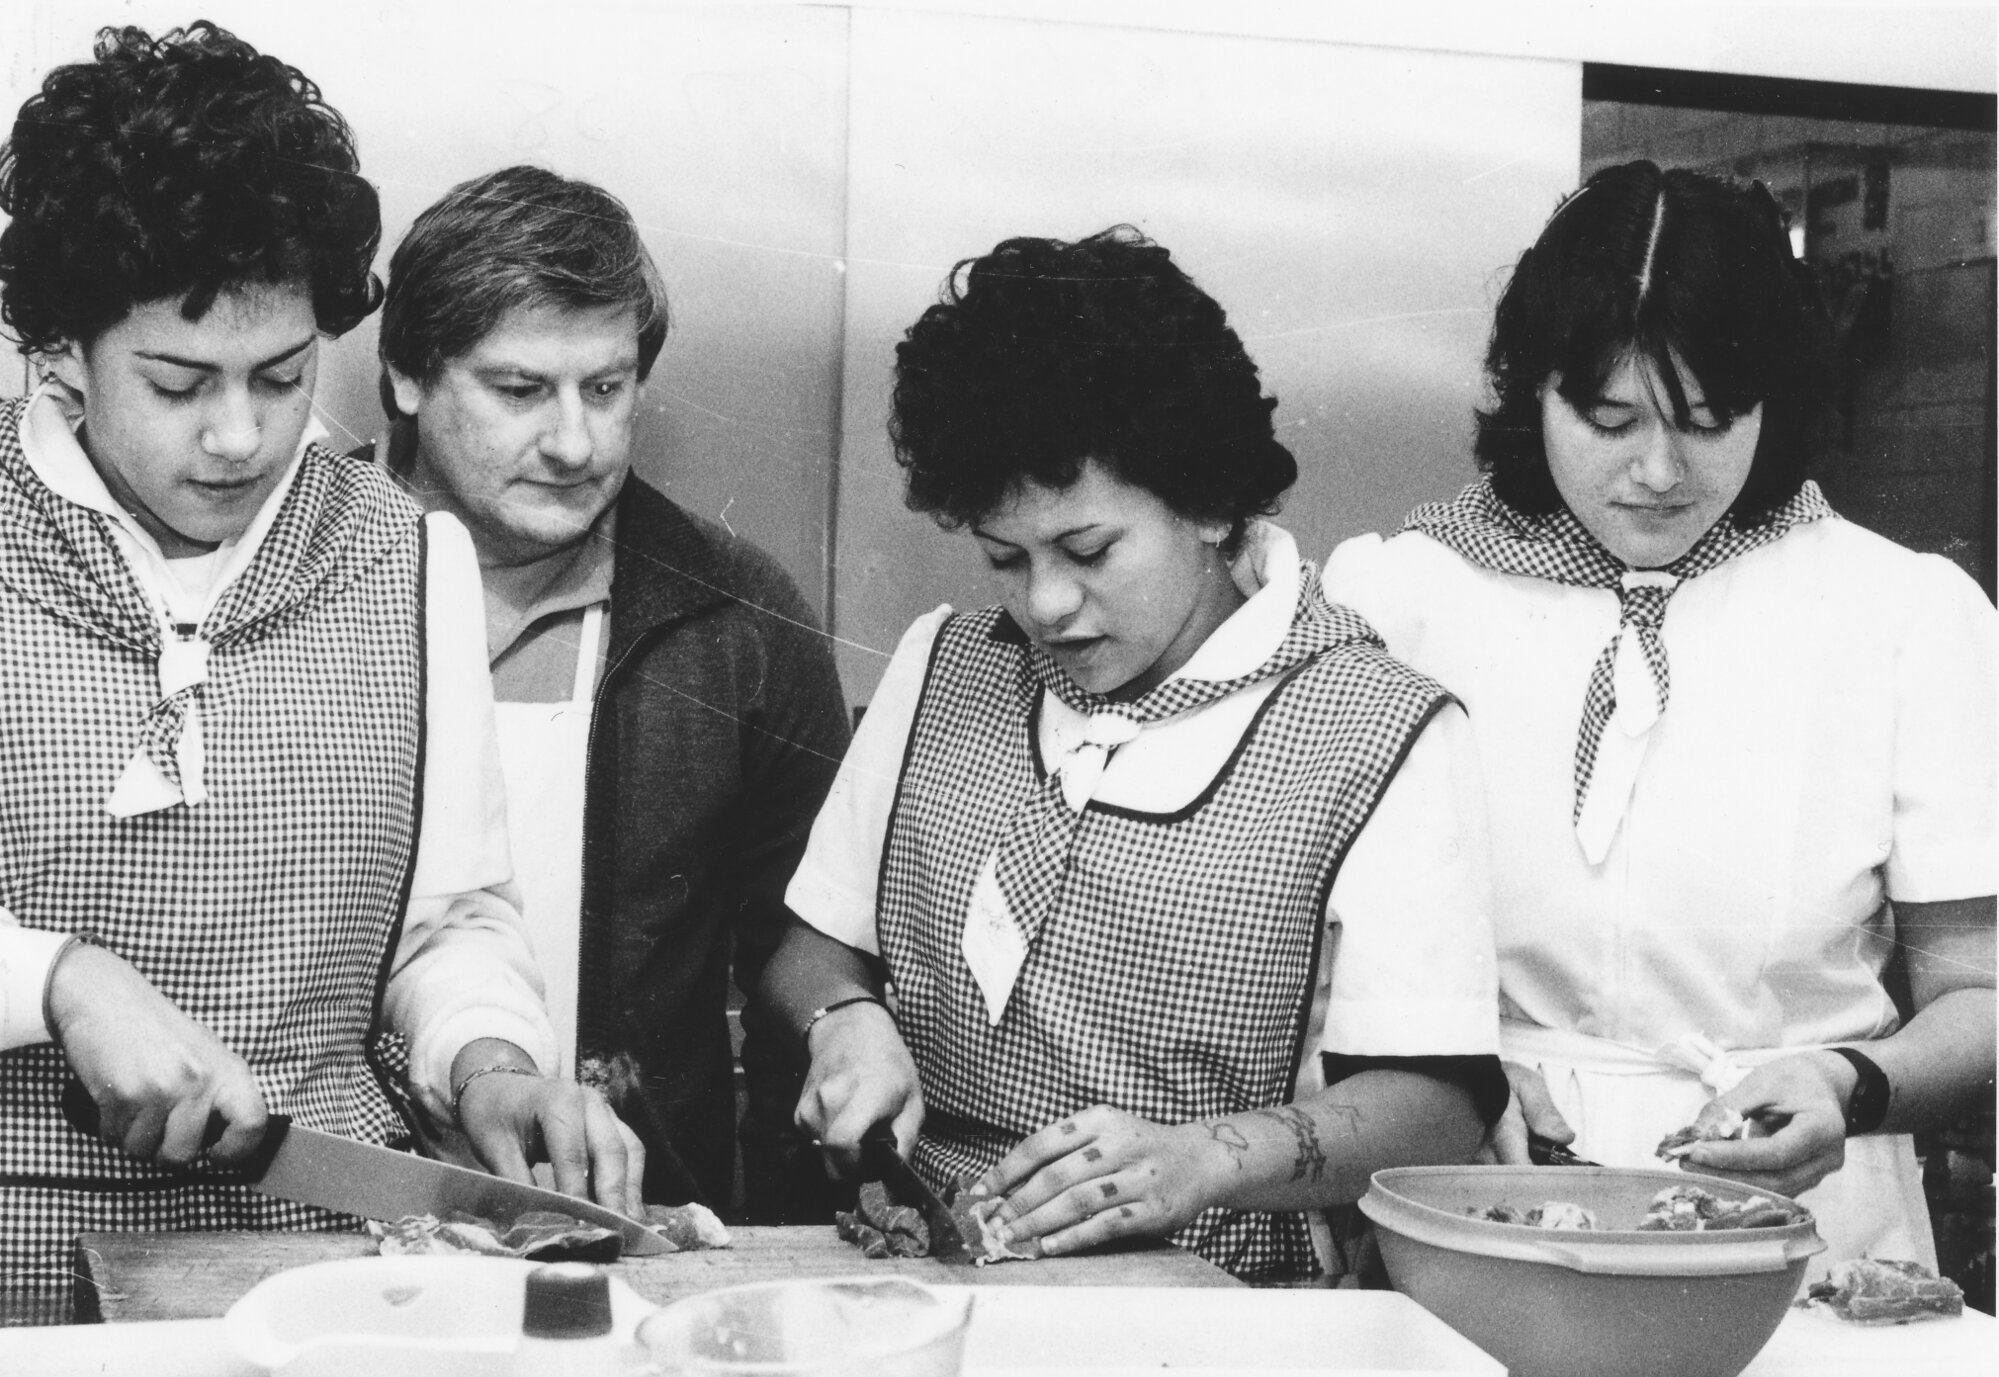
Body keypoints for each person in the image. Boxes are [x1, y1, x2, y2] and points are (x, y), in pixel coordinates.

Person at [0, 23, 634, 1315]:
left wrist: (493, 1063)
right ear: (59, 349)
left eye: (282, 376)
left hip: (315, 1254)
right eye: (178, 383)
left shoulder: (405, 557)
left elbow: (447, 921)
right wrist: (55, 979)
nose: (240, 436)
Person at [759, 226, 1504, 1283]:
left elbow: (1435, 1106)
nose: (1045, 603)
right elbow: (813, 944)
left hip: (1211, 1286)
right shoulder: (944, 664)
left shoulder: (1378, 730)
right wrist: (845, 1022)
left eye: (1089, 550)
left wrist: (1199, 1159)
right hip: (920, 1266)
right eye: (1004, 558)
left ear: (1209, 502)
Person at [1324, 160, 1996, 1277]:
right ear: (1533, 392)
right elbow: (1308, 958)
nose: (1656, 469)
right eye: (1608, 418)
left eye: (1708, 419)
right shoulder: (1399, 600)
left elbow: (1976, 988)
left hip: (1804, 1220)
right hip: (1480, 1190)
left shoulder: (1901, 613)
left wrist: (1848, 1083)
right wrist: (1434, 1082)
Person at [380, 166, 852, 1219]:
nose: (573, 443)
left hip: (625, 1216)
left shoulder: (738, 618)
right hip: (324, 1199)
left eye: (606, 388)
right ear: (407, 375)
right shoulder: (297, 583)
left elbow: (802, 946)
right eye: (518, 391)